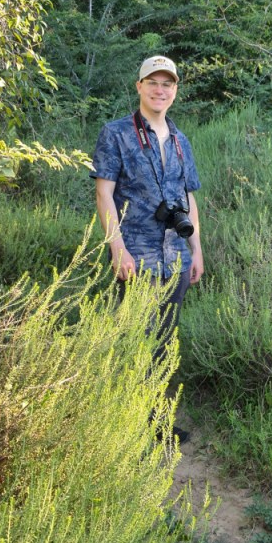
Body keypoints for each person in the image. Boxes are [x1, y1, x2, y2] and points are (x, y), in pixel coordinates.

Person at [91, 56, 204, 439]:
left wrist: (197, 249)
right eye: (152, 82)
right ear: (139, 86)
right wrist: (116, 248)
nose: (160, 90)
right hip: (136, 255)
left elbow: (188, 198)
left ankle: (156, 422)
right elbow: (103, 194)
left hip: (175, 255)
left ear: (175, 90)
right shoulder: (116, 133)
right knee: (135, 338)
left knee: (164, 340)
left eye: (167, 84)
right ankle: (125, 424)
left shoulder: (179, 139)